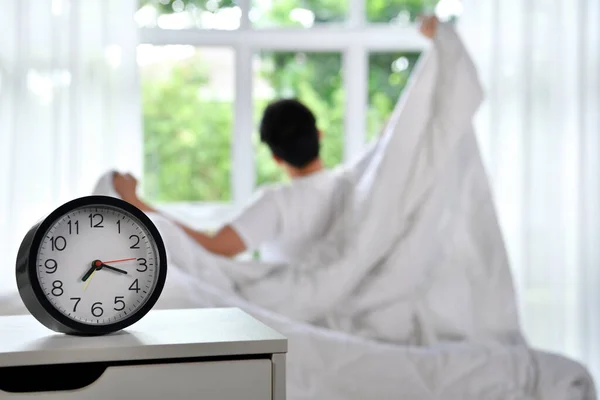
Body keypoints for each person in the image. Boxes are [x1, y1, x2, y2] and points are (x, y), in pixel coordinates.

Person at [114, 16, 439, 261]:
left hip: (289, 323)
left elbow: (215, 248)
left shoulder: (278, 203)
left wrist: (139, 204)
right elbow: (392, 143)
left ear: (275, 157)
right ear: (320, 135)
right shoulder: (352, 185)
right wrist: (438, 48)